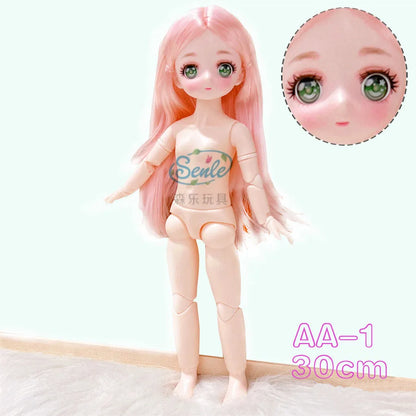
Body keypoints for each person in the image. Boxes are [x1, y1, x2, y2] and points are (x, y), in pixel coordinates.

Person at [105, 5, 293, 402]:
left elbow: (253, 180)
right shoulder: (178, 130)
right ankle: (187, 374)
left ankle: (236, 378)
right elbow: (150, 164)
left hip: (218, 222)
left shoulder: (236, 131)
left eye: (224, 67)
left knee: (228, 306)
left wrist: (266, 217)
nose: (207, 78)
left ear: (241, 73)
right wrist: (125, 189)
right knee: (181, 302)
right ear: (173, 75)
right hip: (179, 221)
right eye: (191, 69)